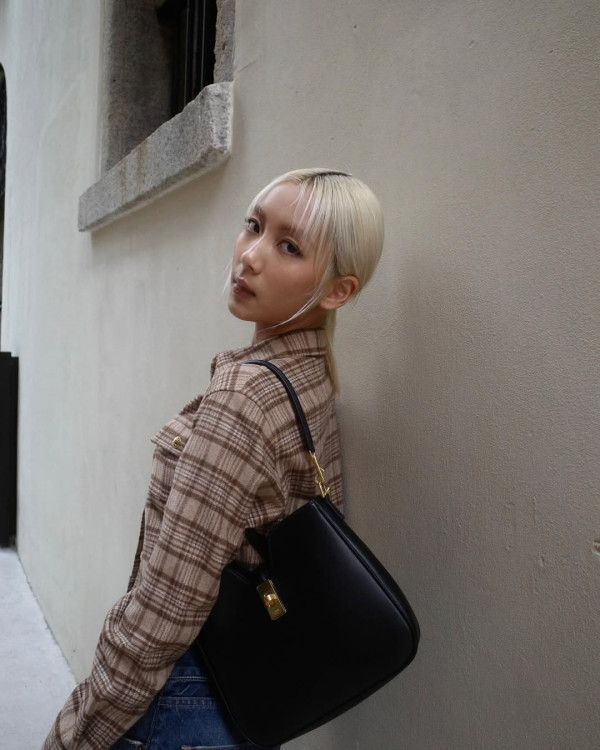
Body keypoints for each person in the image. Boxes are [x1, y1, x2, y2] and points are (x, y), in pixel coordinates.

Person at [43, 168, 384, 750]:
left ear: (338, 291)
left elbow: (165, 611)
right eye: (253, 225)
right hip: (242, 700)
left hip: (181, 702)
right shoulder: (312, 376)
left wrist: (76, 733)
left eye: (289, 246)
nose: (249, 256)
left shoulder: (245, 399)